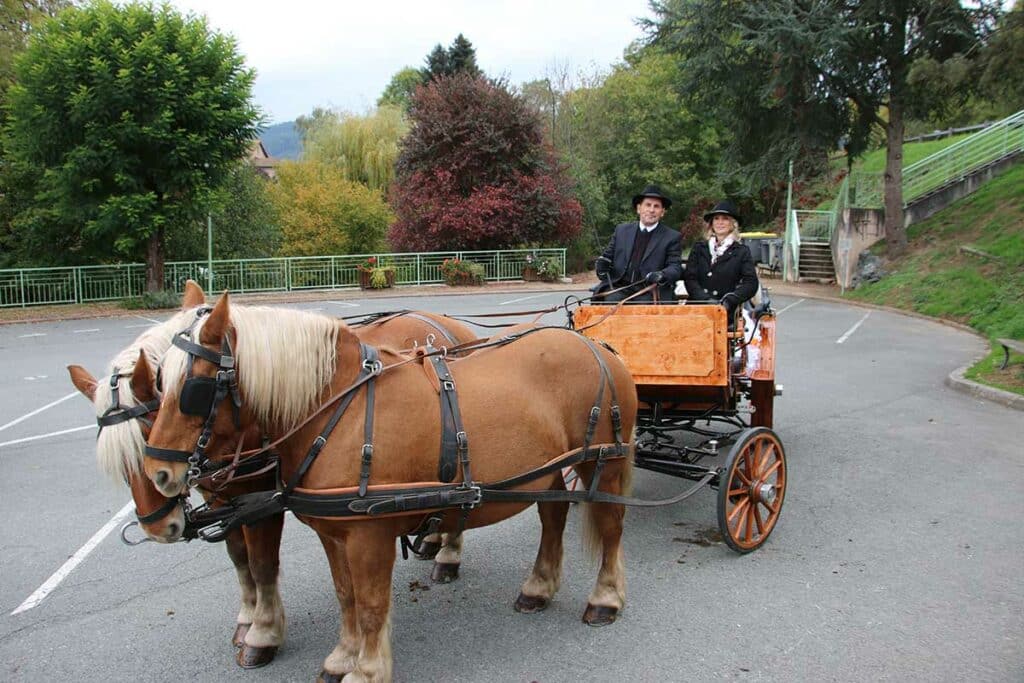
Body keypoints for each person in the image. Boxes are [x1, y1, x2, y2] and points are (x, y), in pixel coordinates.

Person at [593, 185, 683, 303]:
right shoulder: (621, 231)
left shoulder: (671, 237)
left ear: (662, 212)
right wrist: (601, 267)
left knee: (644, 307)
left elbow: (675, 268)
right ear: (639, 208)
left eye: (656, 206)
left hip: (650, 291)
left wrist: (661, 275)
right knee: (610, 301)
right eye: (648, 205)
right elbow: (606, 259)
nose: (651, 210)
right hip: (619, 288)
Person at [682, 200, 759, 319]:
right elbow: (690, 277)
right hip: (697, 309)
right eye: (716, 218)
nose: (720, 222)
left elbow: (751, 283)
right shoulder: (699, 248)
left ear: (733, 224)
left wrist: (730, 300)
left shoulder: (741, 251)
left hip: (726, 311)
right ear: (711, 223)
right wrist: (705, 300)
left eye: (725, 218)